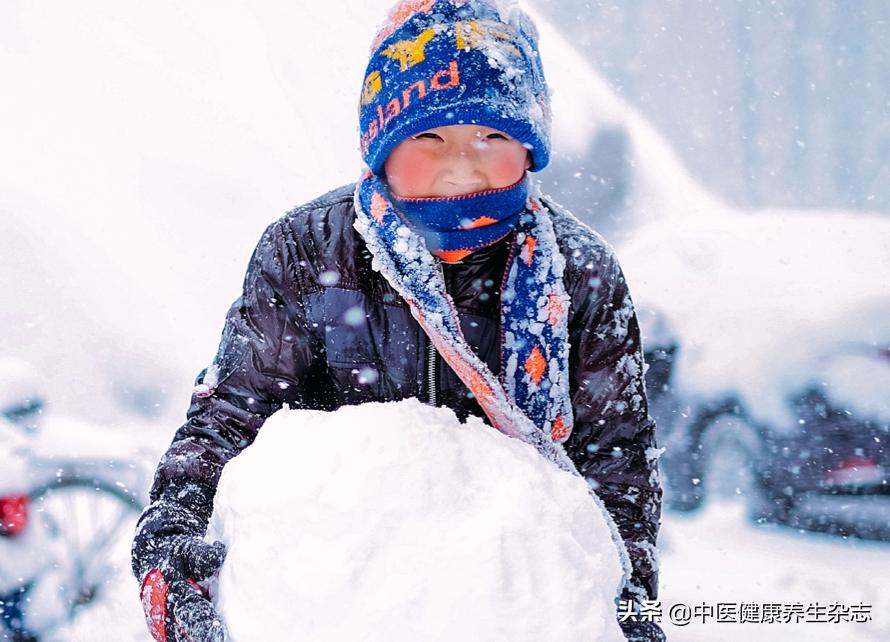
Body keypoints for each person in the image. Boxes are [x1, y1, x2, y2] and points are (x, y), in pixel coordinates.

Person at [130, 1, 665, 641]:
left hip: (516, 607)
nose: (460, 164)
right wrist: (172, 543)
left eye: (491, 136)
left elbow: (616, 466)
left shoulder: (580, 274)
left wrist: (631, 611)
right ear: (381, 145)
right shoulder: (309, 252)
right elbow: (231, 415)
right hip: (338, 601)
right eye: (429, 137)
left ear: (530, 145)